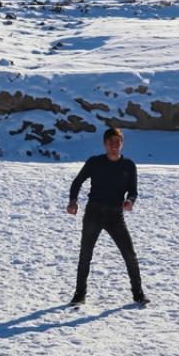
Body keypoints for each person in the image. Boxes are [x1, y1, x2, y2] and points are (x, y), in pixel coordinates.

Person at [66, 127, 147, 305]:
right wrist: (73, 201)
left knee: (130, 255)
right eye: (111, 142)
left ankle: (138, 294)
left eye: (117, 142)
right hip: (94, 213)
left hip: (115, 216)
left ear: (122, 144)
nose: (114, 146)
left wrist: (130, 201)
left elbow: (133, 191)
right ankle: (80, 295)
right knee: (85, 255)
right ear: (105, 144)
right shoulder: (95, 162)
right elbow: (77, 182)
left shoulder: (128, 166)